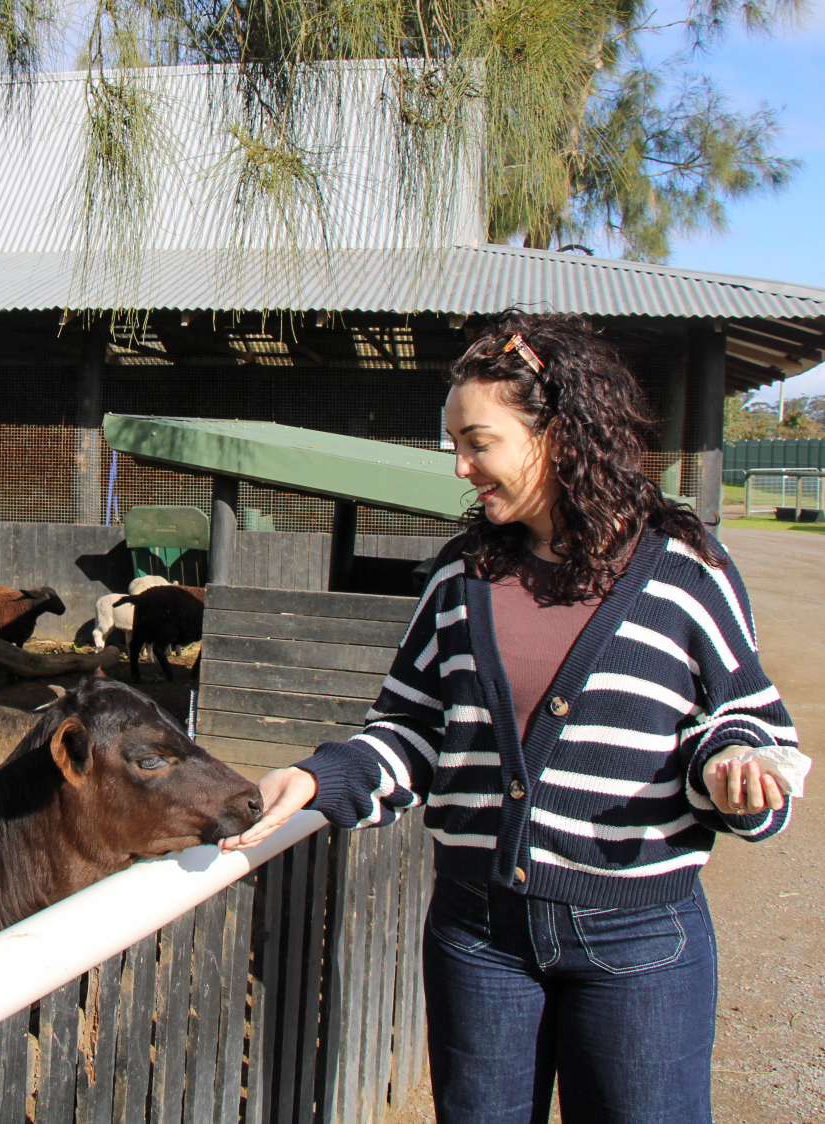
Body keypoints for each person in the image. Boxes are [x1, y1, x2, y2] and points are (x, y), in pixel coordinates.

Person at [221, 311, 809, 1124]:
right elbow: (411, 730)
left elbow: (749, 722)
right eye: (453, 443)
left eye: (478, 441)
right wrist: (325, 775)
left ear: (560, 434)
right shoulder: (460, 577)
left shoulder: (684, 570)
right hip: (479, 935)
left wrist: (733, 771)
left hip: (638, 940)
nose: (460, 466)